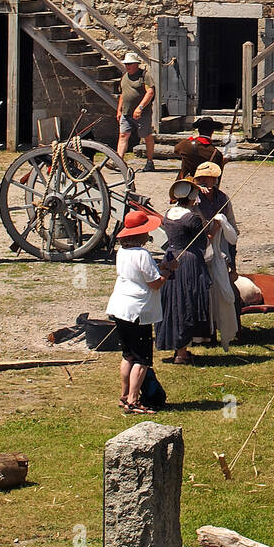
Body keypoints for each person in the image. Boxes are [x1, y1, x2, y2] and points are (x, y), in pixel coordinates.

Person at [106, 207, 175, 414]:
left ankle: (125, 394)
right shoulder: (143, 254)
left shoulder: (123, 252)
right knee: (142, 359)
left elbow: (141, 275)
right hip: (138, 311)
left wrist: (162, 268)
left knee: (128, 355)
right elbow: (154, 283)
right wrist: (170, 270)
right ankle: (134, 401)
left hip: (120, 307)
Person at [155, 178, 216, 365]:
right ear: (192, 197)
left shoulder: (168, 214)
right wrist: (214, 229)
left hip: (171, 257)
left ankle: (179, 349)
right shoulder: (192, 218)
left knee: (173, 302)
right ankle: (181, 352)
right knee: (186, 302)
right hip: (189, 261)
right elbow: (203, 242)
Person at [194, 159, 241, 346]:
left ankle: (230, 330)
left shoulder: (223, 199)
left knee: (228, 293)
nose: (206, 182)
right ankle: (205, 334)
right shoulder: (193, 198)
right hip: (200, 252)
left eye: (210, 178)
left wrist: (233, 265)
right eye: (202, 179)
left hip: (220, 253)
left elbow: (233, 231)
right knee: (203, 294)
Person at [116, 52, 156, 172]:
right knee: (123, 135)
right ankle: (119, 162)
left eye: (130, 64)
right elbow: (123, 94)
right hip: (126, 112)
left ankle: (150, 161)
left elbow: (150, 92)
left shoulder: (144, 75)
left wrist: (140, 108)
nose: (127, 66)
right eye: (126, 64)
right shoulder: (124, 76)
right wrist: (119, 110)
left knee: (146, 136)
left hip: (142, 114)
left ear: (136, 64)